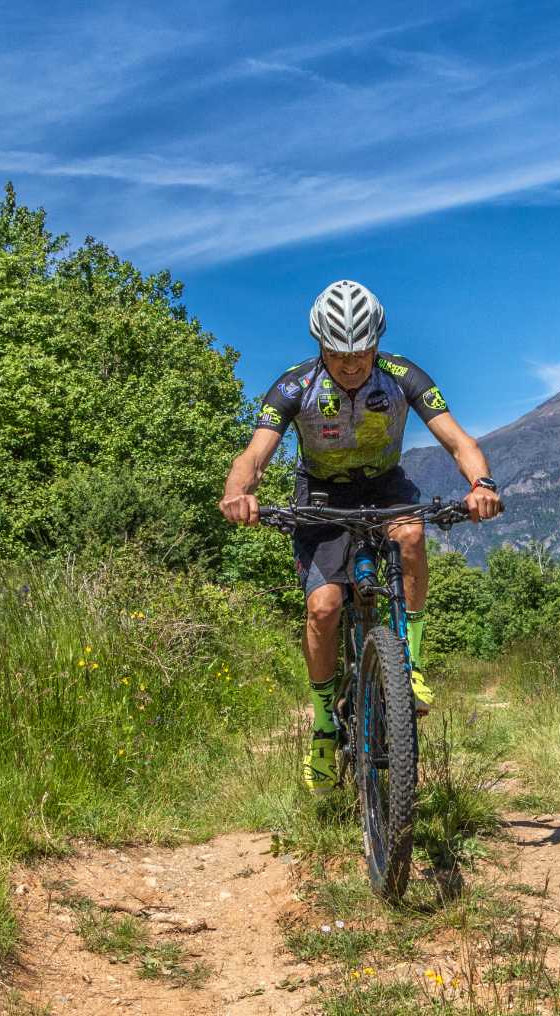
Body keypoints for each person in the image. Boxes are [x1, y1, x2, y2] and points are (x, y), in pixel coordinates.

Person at [220, 280, 503, 791]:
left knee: (412, 537)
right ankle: (325, 725)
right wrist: (239, 493)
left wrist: (481, 484)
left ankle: (410, 661)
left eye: (361, 353)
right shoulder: (294, 385)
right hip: (322, 496)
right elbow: (255, 455)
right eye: (338, 355)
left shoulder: (402, 376)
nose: (351, 365)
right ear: (320, 346)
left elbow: (458, 440)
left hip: (385, 487)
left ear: (376, 343)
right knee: (324, 608)